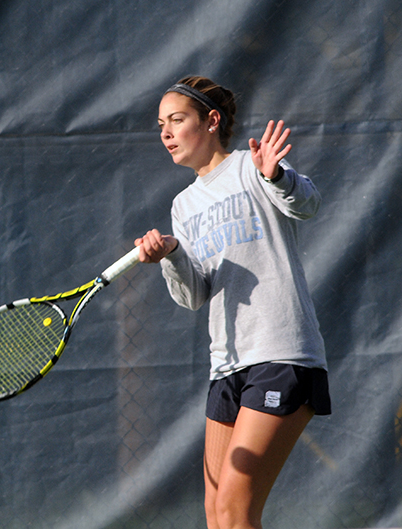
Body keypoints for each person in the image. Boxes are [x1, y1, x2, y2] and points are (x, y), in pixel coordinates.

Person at [135, 76, 330, 529]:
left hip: (281, 355)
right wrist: (172, 256)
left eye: (176, 120)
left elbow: (309, 204)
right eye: (160, 124)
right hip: (226, 365)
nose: (165, 133)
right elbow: (192, 296)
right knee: (217, 515)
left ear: (211, 122)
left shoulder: (251, 167)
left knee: (235, 509)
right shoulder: (183, 205)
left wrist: (276, 175)